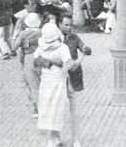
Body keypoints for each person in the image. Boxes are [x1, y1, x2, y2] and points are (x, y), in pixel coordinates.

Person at [33, 23, 73, 147]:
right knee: (56, 109)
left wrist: (47, 63)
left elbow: (35, 62)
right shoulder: (63, 48)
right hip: (57, 81)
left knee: (47, 108)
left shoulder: (41, 48)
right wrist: (57, 64)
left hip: (46, 82)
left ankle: (55, 137)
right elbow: (68, 63)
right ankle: (52, 138)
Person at [58, 14, 92, 147]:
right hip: (59, 77)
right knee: (58, 109)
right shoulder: (55, 39)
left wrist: (85, 49)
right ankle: (57, 138)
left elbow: (83, 46)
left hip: (72, 77)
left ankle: (76, 139)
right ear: (59, 24)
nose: (69, 27)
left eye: (70, 24)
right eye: (66, 24)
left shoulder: (74, 37)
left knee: (74, 110)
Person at [11, 12, 42, 118]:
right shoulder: (42, 32)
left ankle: (36, 108)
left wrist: (15, 36)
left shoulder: (23, 33)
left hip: (28, 58)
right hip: (42, 57)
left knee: (32, 85)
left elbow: (14, 48)